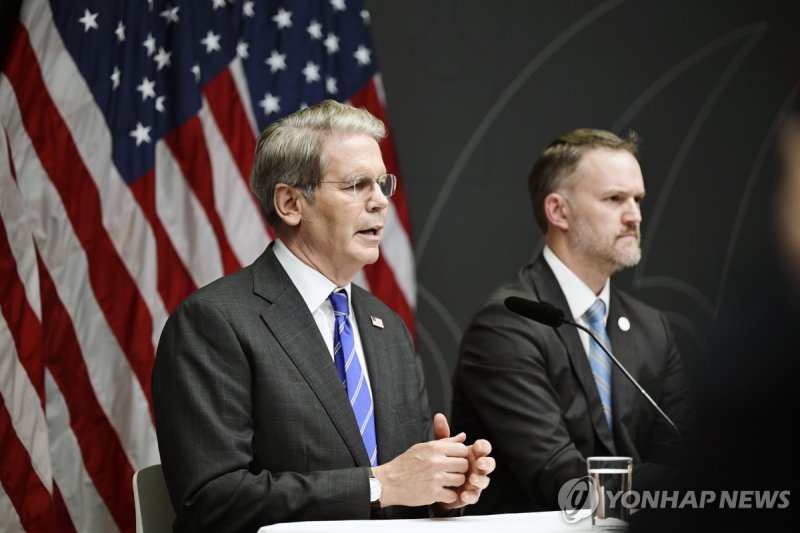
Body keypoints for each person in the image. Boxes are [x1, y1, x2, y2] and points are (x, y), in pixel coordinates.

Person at [152, 100, 495, 532]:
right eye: (356, 185)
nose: (380, 203)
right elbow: (214, 502)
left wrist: (441, 492)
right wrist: (381, 485)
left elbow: (402, 486)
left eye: (382, 184)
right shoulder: (213, 323)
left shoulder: (387, 326)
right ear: (290, 203)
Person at [450, 128, 694, 515]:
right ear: (558, 211)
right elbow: (560, 478)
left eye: (638, 199)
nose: (634, 216)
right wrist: (694, 490)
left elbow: (678, 452)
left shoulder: (652, 328)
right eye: (614, 199)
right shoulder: (507, 324)